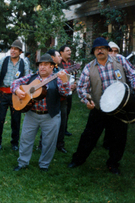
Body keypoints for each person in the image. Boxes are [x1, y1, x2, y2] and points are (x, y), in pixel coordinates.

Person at [68, 37, 135, 175]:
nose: (100, 50)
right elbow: (81, 88)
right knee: (89, 136)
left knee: (119, 138)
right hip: (99, 108)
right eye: (97, 49)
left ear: (107, 50)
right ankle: (78, 159)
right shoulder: (88, 68)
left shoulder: (120, 60)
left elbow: (133, 74)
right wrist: (86, 100)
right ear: (93, 52)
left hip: (120, 108)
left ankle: (113, 164)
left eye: (103, 48)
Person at [12, 53, 70, 172]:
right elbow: (14, 83)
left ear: (52, 67)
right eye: (40, 64)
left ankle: (44, 165)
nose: (42, 67)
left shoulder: (57, 78)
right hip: (32, 114)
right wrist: (17, 90)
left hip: (50, 115)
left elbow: (65, 93)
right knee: (25, 139)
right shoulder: (32, 77)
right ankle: (22, 162)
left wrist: (65, 81)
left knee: (49, 142)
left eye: (46, 65)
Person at [0, 39, 29, 150]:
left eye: (16, 49)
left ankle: (14, 143)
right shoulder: (3, 60)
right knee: (0, 119)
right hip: (3, 93)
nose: (13, 51)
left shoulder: (24, 63)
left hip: (16, 95)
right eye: (12, 48)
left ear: (20, 52)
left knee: (16, 119)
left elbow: (27, 81)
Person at [59, 45, 76, 136]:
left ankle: (64, 129)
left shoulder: (72, 63)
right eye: (67, 50)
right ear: (61, 52)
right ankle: (58, 129)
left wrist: (75, 85)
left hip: (70, 92)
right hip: (60, 91)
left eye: (70, 50)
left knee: (67, 110)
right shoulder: (58, 63)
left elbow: (76, 76)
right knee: (61, 111)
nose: (70, 52)